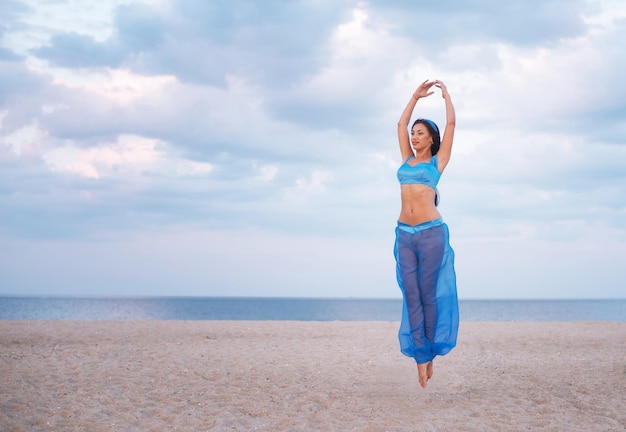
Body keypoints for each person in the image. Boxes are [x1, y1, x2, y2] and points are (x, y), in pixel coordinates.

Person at [394, 79, 459, 388]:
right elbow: (400, 122)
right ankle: (422, 354)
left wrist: (446, 96)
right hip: (404, 234)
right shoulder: (407, 159)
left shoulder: (437, 161)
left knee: (428, 295)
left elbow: (451, 122)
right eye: (413, 133)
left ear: (431, 139)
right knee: (412, 295)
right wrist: (415, 97)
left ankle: (428, 355)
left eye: (420, 133)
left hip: (432, 233)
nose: (413, 136)